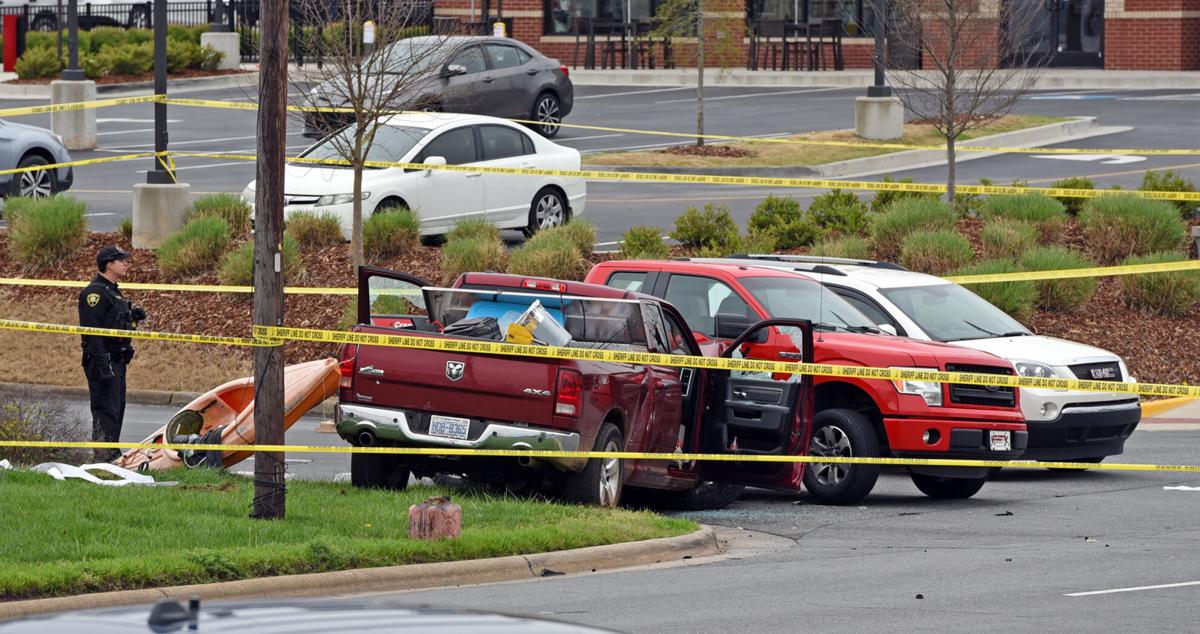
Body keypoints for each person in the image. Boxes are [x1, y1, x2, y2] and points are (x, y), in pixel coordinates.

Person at [78, 245, 146, 463]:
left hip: (117, 360)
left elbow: (120, 331)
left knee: (116, 409)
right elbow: (92, 334)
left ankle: (112, 457)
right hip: (103, 361)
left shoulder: (113, 292)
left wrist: (133, 319)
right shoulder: (95, 294)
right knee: (105, 410)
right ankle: (103, 459)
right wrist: (103, 366)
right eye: (121, 260)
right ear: (109, 264)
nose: (126, 263)